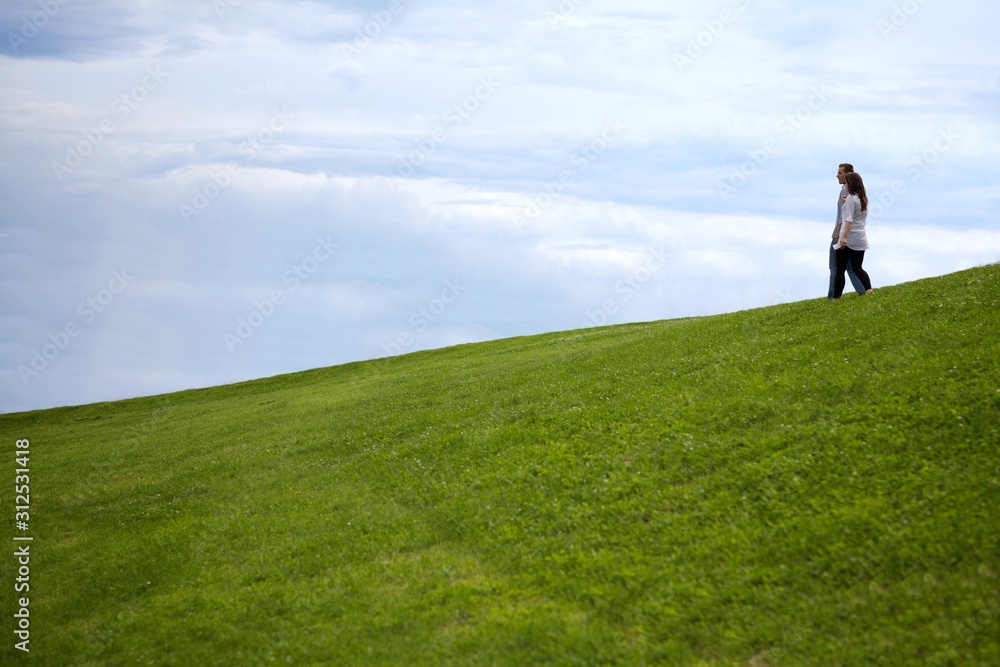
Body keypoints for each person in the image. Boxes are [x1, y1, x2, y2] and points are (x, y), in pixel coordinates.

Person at [832, 172, 874, 299]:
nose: (846, 185)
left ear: (851, 184)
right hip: (860, 237)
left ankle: (836, 297)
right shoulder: (863, 198)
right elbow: (856, 212)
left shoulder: (851, 198)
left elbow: (849, 219)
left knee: (840, 269)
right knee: (857, 267)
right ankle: (869, 290)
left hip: (848, 237)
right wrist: (847, 203)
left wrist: (843, 237)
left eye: (847, 182)